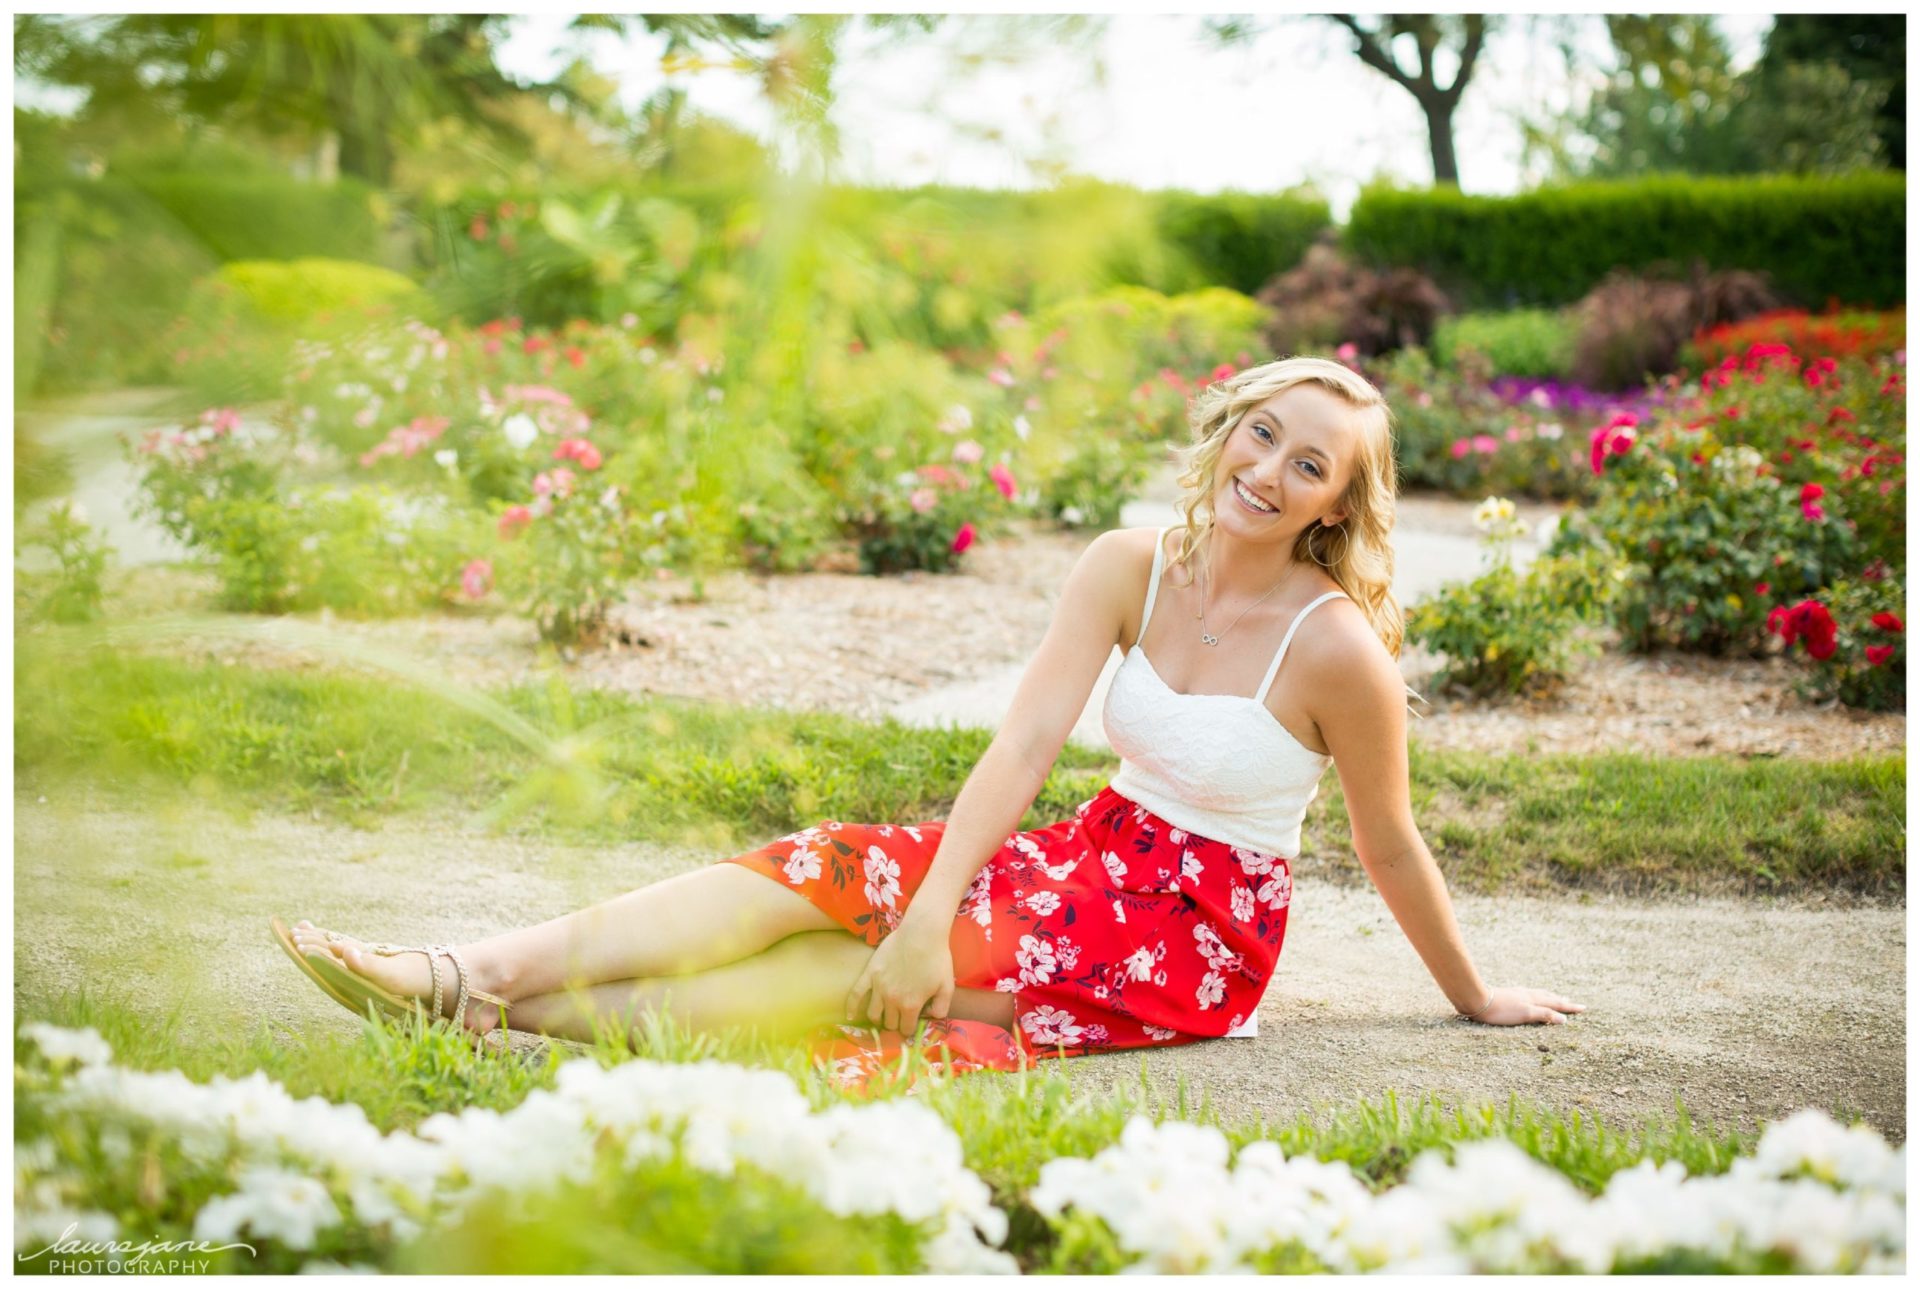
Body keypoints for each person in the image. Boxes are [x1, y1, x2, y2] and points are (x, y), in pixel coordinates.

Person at [276, 355, 1585, 1090]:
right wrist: (920, 903)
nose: (1268, 470)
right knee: (826, 867)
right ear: (1227, 430)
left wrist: (1472, 995)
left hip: (1195, 926)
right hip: (1089, 853)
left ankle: (490, 1009)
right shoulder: (1129, 563)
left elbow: (1393, 842)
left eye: (1311, 465)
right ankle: (474, 975)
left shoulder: (1340, 649)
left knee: (845, 991)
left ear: (1334, 507)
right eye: (1262, 434)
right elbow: (1021, 749)